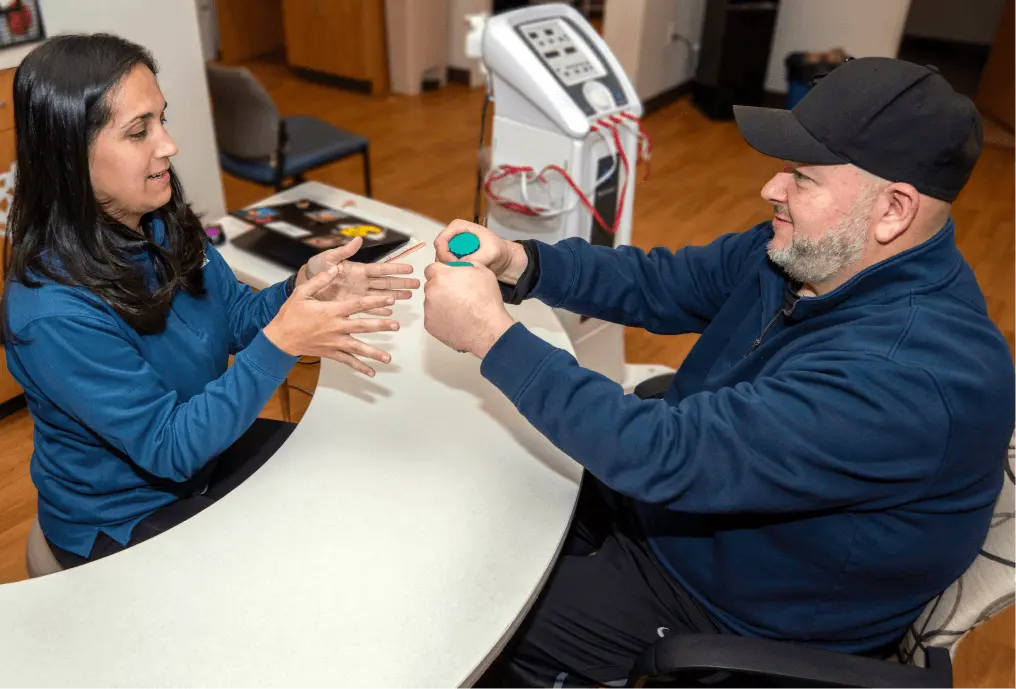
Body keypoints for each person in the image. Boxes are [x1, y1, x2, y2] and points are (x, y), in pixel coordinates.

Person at [422, 57, 1016, 687]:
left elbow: (667, 454)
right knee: (474, 500)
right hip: (686, 509)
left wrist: (493, 337)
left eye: (802, 177)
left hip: (729, 606)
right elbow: (663, 282)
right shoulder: (812, 254)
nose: (772, 189)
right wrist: (522, 262)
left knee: (467, 618)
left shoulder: (908, 377)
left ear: (894, 209)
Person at [1, 34, 419, 569]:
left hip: (203, 454)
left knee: (343, 488)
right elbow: (170, 451)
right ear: (68, 156)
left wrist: (302, 288)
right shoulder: (49, 312)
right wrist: (284, 339)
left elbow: (235, 317)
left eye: (161, 119)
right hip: (124, 513)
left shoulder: (158, 219)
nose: (168, 145)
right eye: (138, 131)